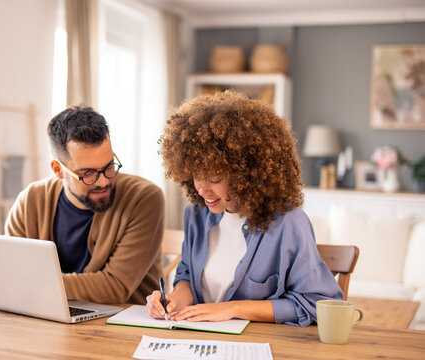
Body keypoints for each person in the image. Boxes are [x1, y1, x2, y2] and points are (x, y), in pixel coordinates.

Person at [146, 91, 343, 327]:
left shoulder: (288, 223)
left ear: (246, 174)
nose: (202, 189)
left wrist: (232, 309)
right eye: (196, 176)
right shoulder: (196, 214)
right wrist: (174, 300)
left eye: (215, 178)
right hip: (196, 341)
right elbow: (186, 277)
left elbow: (315, 303)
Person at [6, 105, 165, 304]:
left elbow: (116, 286)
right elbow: (13, 273)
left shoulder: (144, 198)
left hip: (123, 323)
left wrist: (37, 284)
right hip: (49, 317)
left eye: (109, 167)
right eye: (87, 173)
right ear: (58, 170)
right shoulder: (30, 201)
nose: (103, 181)